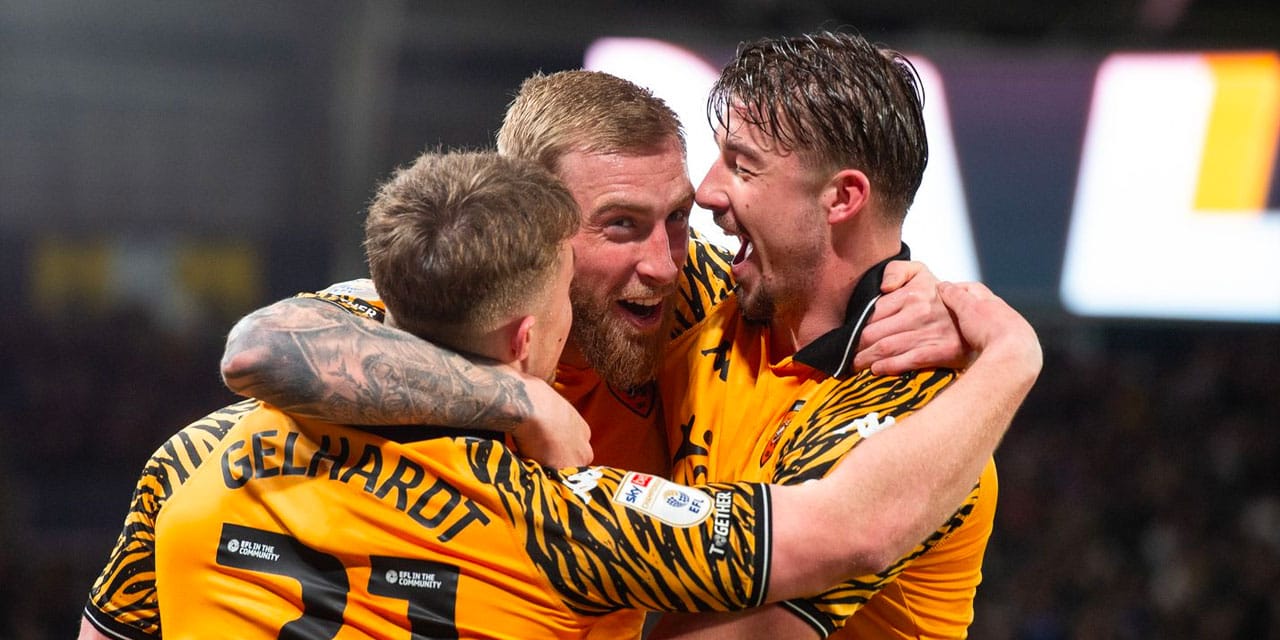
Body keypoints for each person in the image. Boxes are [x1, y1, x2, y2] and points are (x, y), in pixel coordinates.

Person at [80, 69, 966, 639]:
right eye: (621, 226)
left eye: (678, 219)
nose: (665, 261)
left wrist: (937, 301)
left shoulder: (697, 301)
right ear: (526, 221)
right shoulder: (561, 508)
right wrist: (513, 400)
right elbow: (260, 346)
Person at [652, 31, 994, 638]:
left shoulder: (917, 426)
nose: (705, 192)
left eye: (742, 166)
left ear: (842, 197)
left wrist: (1012, 354)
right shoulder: (711, 297)